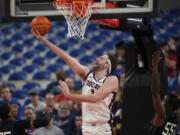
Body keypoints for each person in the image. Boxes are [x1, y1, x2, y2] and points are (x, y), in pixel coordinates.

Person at [32, 29, 119, 135]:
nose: (97, 59)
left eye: (101, 59)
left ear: (107, 65)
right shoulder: (86, 74)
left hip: (102, 127)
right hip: (86, 126)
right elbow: (66, 57)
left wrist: (70, 95)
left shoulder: (112, 80)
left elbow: (96, 98)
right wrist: (44, 40)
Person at [145, 51, 180, 135]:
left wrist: (155, 66)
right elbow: (177, 94)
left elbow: (155, 92)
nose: (162, 101)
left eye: (165, 100)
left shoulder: (162, 115)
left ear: (170, 106)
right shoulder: (175, 117)